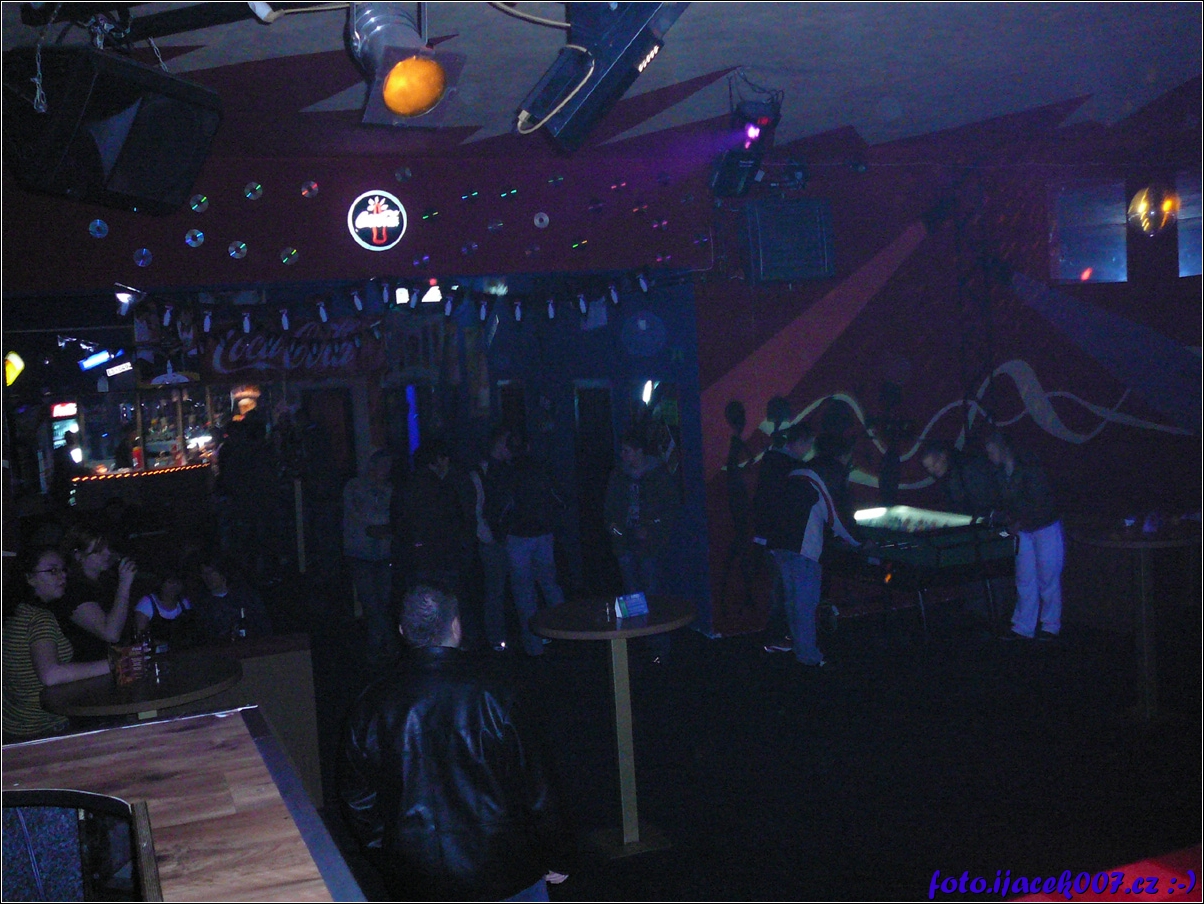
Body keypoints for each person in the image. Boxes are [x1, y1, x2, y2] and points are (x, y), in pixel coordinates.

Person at [339, 585, 573, 901]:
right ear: (456, 625)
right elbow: (538, 788)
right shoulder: (498, 694)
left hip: (417, 880)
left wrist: (390, 855)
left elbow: (359, 800)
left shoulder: (370, 705)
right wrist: (557, 852)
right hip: (505, 872)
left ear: (402, 631)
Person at [3, 547, 114, 741]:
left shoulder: (15, 612)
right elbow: (51, 675)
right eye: (52, 571)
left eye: (63, 570)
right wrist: (114, 663)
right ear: (29, 578)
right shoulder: (39, 619)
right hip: (44, 727)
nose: (62, 576)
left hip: (14, 724)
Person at [604, 422, 682, 662]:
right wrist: (618, 535)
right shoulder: (618, 475)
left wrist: (650, 528)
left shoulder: (658, 475)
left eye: (626, 450)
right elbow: (609, 514)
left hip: (649, 546)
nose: (622, 455)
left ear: (639, 451)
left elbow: (670, 509)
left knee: (652, 593)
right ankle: (639, 643)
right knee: (632, 595)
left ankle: (659, 646)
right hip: (625, 545)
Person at [786, 434, 866, 668]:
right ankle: (809, 657)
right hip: (804, 545)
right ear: (844, 453)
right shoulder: (830, 473)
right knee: (805, 603)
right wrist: (859, 542)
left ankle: (800, 650)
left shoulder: (802, 469)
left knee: (793, 601)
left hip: (780, 542)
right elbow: (836, 515)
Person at [983, 431, 1064, 641]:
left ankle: (1050, 626)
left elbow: (1039, 501)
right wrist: (1008, 521)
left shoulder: (1029, 467)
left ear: (1002, 448)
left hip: (1045, 527)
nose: (989, 456)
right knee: (1024, 577)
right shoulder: (1001, 473)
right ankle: (1023, 626)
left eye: (991, 451)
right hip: (1024, 530)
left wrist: (1016, 522)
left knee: (1048, 577)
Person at [753, 421, 817, 654]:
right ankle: (776, 637)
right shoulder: (791, 468)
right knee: (784, 591)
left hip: (769, 536)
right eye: (808, 444)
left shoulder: (772, 462)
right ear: (800, 442)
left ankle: (779, 635)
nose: (809, 449)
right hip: (784, 538)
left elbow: (764, 503)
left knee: (781, 588)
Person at [343, 449, 397, 669]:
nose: (387, 469)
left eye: (389, 465)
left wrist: (386, 528)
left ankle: (378, 647)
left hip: (384, 555)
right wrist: (384, 527)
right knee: (370, 602)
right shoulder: (355, 487)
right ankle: (385, 645)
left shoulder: (390, 490)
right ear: (373, 465)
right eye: (383, 464)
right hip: (360, 554)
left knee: (381, 602)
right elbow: (362, 516)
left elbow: (392, 518)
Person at [59, 524, 137, 663]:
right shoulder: (73, 590)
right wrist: (124, 584)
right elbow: (111, 634)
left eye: (107, 548)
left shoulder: (107, 582)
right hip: (90, 669)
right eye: (98, 551)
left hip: (119, 664)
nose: (107, 553)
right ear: (79, 556)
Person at [477, 425, 515, 652]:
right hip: (493, 541)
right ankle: (497, 640)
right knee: (496, 591)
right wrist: (488, 538)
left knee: (510, 589)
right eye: (507, 443)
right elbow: (478, 510)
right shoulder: (483, 471)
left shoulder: (508, 469)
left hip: (511, 538)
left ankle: (509, 636)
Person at [919, 438, 1000, 518]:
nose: (933, 470)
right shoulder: (943, 480)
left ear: (943, 456)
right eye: (928, 467)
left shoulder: (968, 470)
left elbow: (984, 504)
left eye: (934, 464)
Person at [132, 566, 194, 649]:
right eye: (170, 582)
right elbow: (140, 637)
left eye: (178, 583)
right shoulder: (146, 603)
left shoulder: (184, 603)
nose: (174, 586)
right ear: (161, 583)